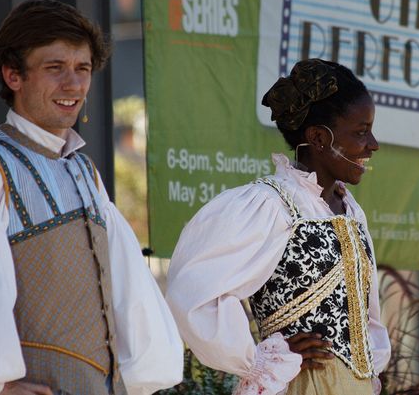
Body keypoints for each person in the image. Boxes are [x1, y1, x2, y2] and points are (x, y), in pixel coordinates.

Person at [166, 59, 391, 395]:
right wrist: (260, 360)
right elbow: (193, 290)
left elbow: (365, 317)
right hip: (303, 385)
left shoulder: (350, 211)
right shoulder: (270, 205)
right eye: (361, 132)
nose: (373, 144)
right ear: (318, 137)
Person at [0, 0, 183, 395]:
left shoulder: (84, 170)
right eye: (54, 69)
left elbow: (130, 291)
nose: (73, 85)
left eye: (82, 69)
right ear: (13, 75)